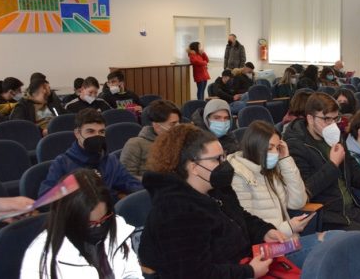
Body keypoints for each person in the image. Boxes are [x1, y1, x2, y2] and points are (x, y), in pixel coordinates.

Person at [138, 124, 286, 278]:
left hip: (243, 262)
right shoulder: (175, 211)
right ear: (193, 167)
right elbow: (193, 274)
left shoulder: (217, 188)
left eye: (224, 156)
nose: (225, 164)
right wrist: (249, 272)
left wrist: (264, 231)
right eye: (217, 159)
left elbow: (239, 217)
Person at [228, 121, 341, 266]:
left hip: (287, 242)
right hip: (265, 252)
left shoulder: (270, 171)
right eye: (269, 148)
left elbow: (298, 202)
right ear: (255, 146)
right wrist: (289, 227)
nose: (274, 153)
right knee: (336, 247)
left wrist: (286, 159)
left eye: (277, 147)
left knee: (341, 239)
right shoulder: (239, 176)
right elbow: (246, 228)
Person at [283, 92, 360, 241]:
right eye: (326, 119)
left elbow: (350, 167)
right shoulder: (295, 147)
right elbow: (305, 191)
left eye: (335, 118)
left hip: (351, 209)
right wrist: (333, 164)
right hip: (329, 218)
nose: (332, 124)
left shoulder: (335, 136)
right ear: (310, 118)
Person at [21, 169, 142, 279]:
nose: (99, 226)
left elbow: (131, 271)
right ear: (70, 219)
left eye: (104, 218)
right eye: (91, 224)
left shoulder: (117, 226)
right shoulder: (39, 256)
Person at [39, 109, 142, 200]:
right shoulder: (62, 163)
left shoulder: (110, 160)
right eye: (90, 132)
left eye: (101, 132)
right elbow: (46, 196)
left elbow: (131, 183)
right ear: (77, 134)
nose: (97, 136)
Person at [120, 100, 181, 180]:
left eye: (178, 123)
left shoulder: (179, 143)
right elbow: (125, 178)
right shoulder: (135, 144)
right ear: (157, 126)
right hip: (146, 190)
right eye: (173, 124)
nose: (178, 127)